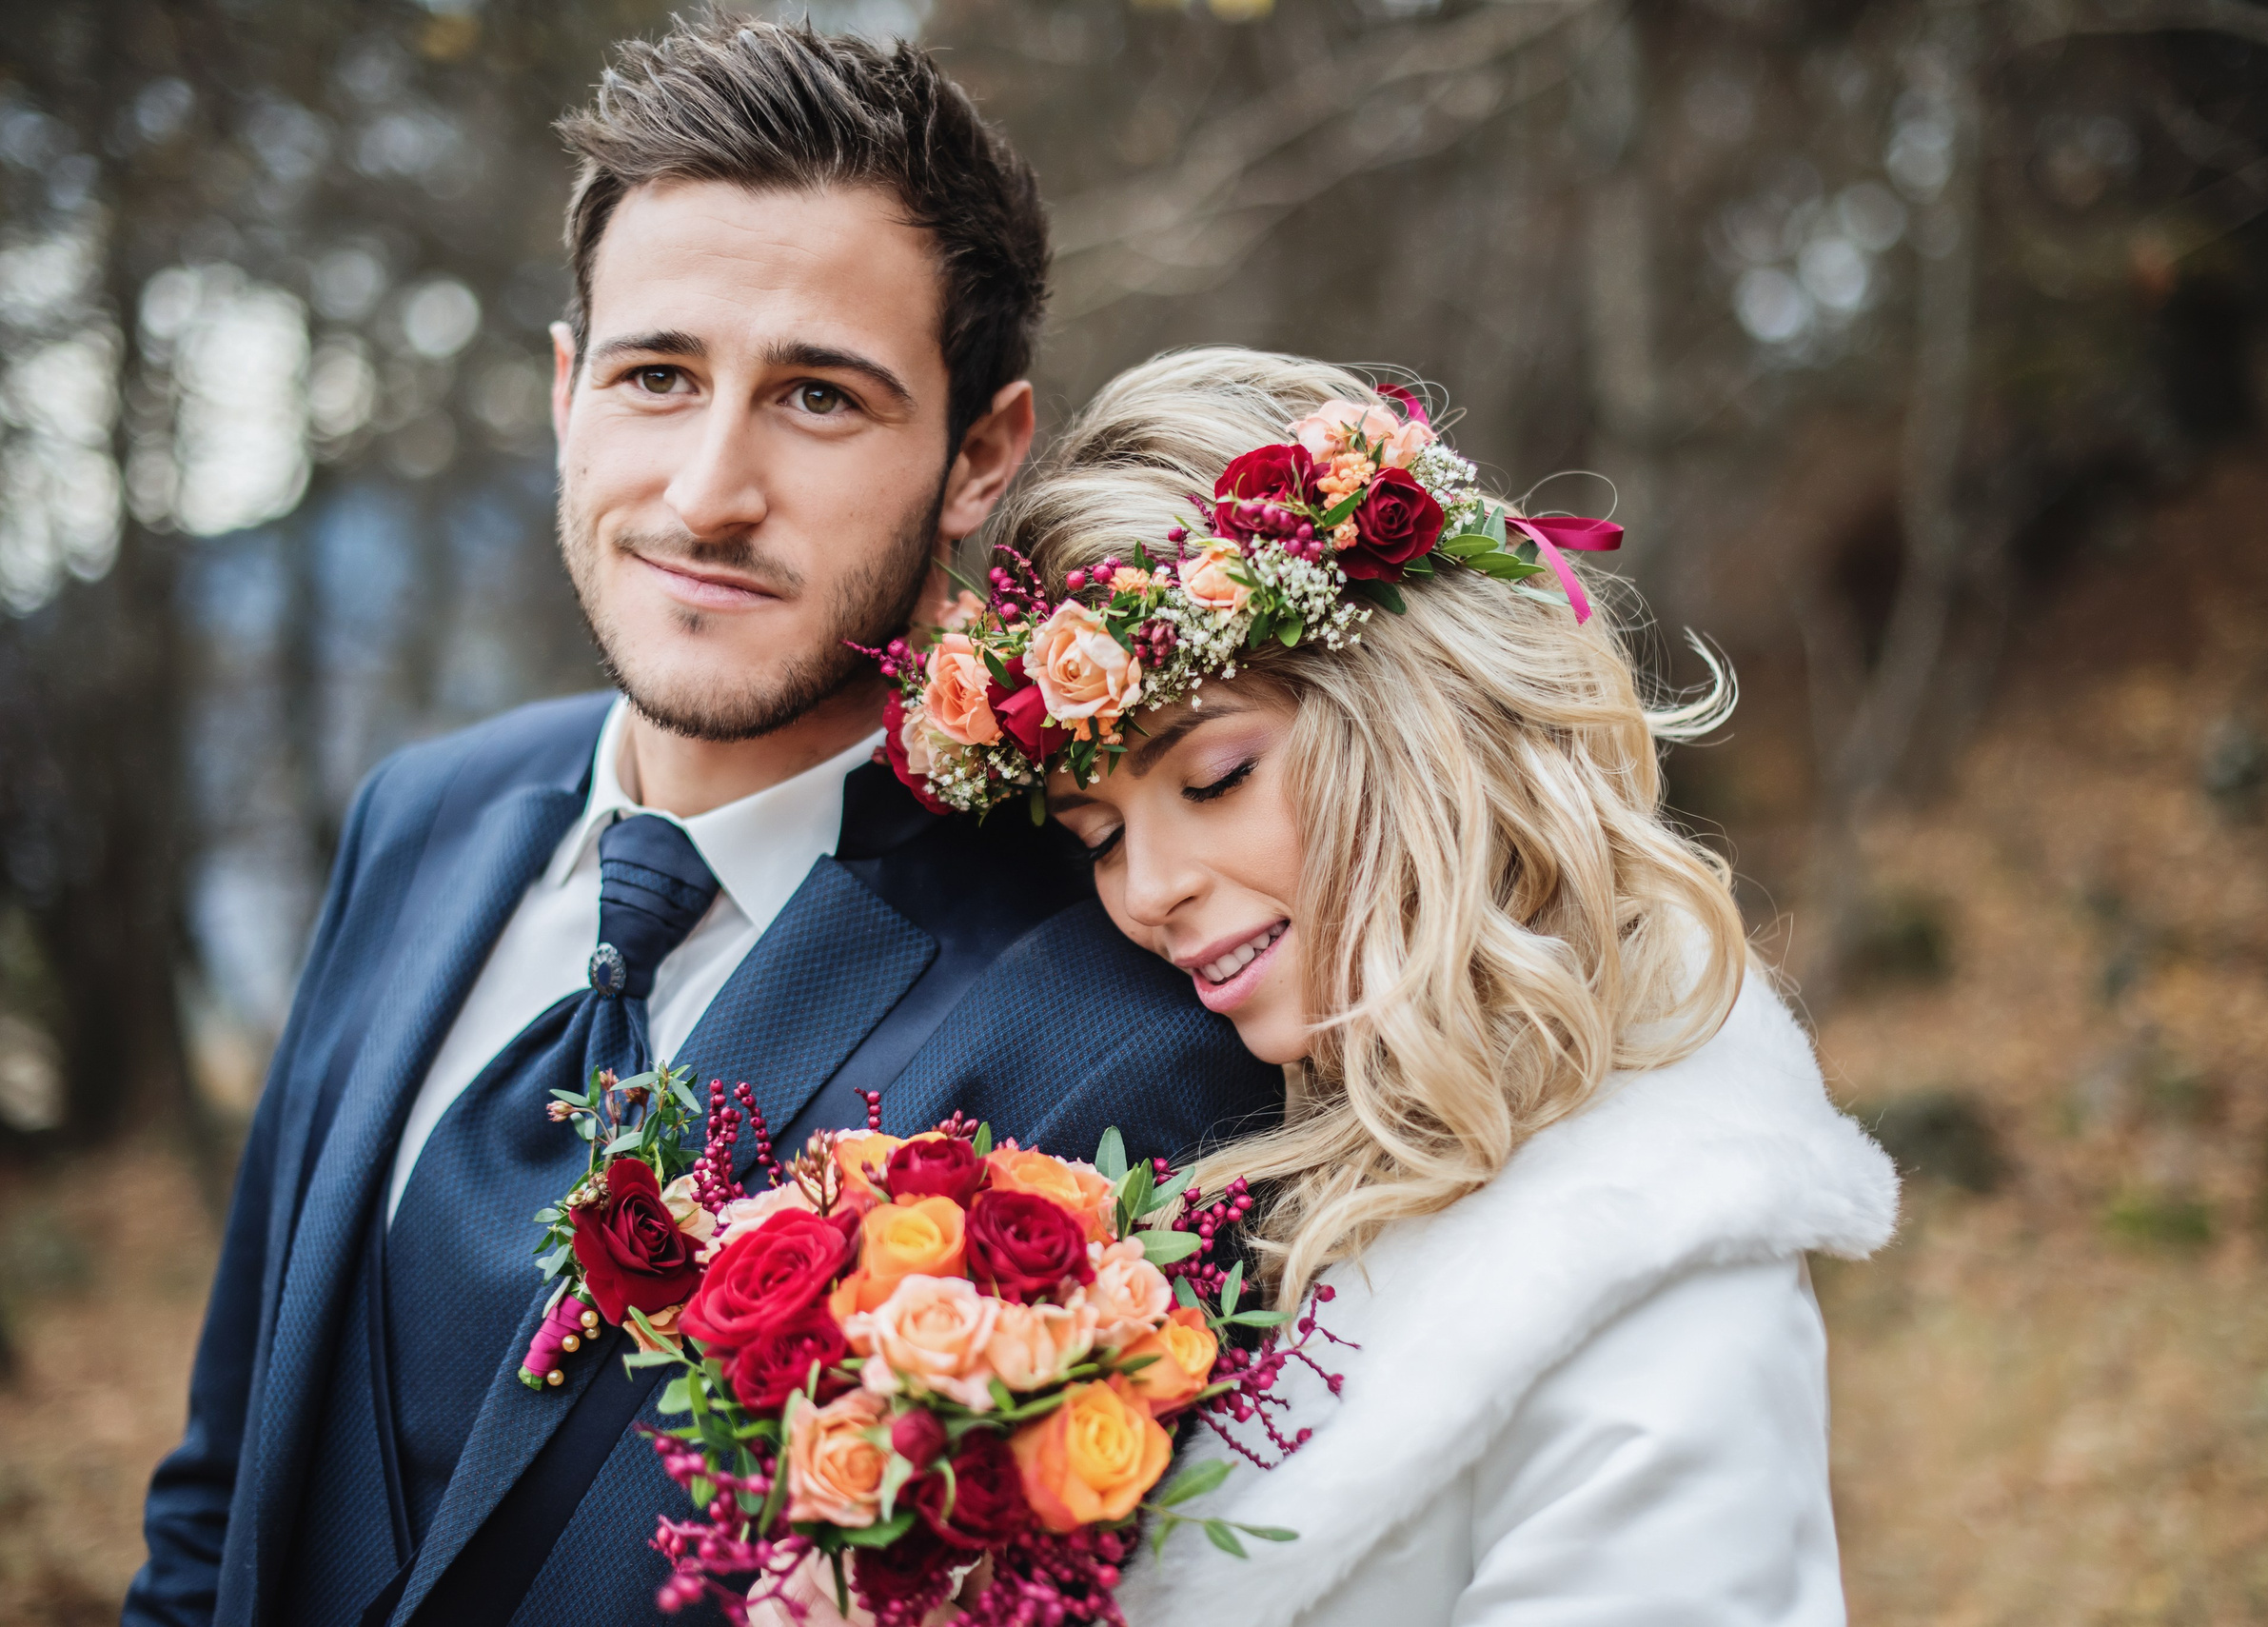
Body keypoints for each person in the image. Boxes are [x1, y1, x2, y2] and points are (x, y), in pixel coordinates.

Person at [125, 27, 1276, 1627]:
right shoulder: (422, 819)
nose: (706, 491)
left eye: (817, 397)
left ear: (982, 454)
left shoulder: (1118, 1019)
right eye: (657, 374)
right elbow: (223, 1490)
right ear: (564, 389)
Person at [900, 347, 1899, 1625]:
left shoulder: (1665, 1270)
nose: (1147, 890)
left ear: (1408, 713)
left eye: (1211, 778)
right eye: (1097, 834)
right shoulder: (1248, 1160)